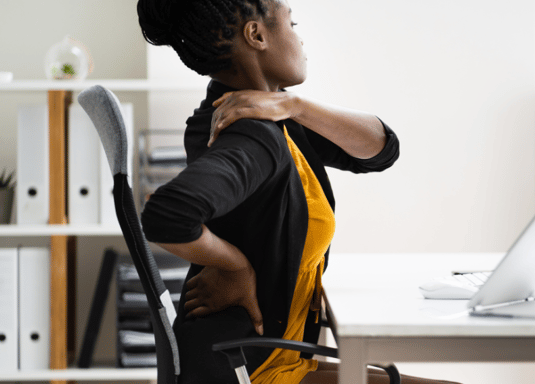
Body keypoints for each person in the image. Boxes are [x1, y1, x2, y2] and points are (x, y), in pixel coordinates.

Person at [136, 1, 459, 383]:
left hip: (275, 357)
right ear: (256, 35)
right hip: (250, 369)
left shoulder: (271, 119)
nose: (300, 39)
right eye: (292, 23)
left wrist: (294, 105)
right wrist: (234, 265)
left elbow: (380, 150)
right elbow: (167, 215)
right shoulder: (252, 135)